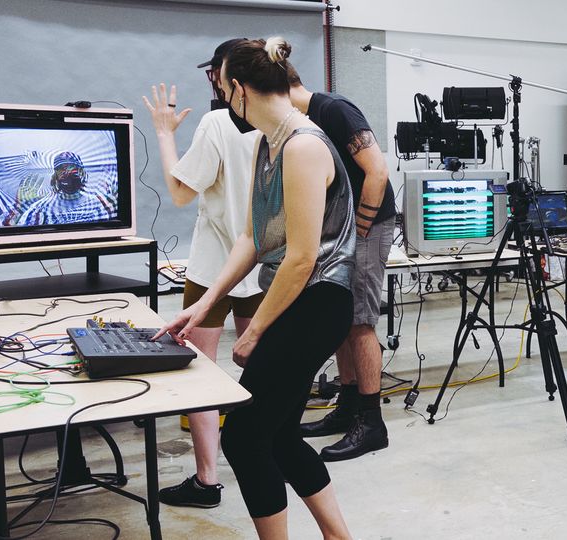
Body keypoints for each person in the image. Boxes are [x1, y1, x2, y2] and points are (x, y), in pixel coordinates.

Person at [155, 37, 355, 539]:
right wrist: (202, 305)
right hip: (294, 298)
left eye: (223, 91)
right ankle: (338, 535)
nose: (222, 101)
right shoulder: (269, 142)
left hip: (318, 301)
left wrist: (253, 329)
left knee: (244, 437)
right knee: (280, 435)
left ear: (240, 89)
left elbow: (302, 256)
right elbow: (251, 236)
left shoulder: (304, 146)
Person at [141, 39, 264, 509]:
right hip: (261, 266)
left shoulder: (216, 123)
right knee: (261, 367)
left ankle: (207, 480)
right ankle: (266, 456)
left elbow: (178, 192)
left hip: (214, 267)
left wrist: (164, 131)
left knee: (201, 372)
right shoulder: (280, 125)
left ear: (223, 77)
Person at [287, 63, 396, 462]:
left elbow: (377, 171)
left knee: (361, 322)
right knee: (341, 320)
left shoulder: (333, 109)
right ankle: (349, 407)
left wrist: (361, 230)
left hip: (366, 226)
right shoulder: (304, 121)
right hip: (342, 230)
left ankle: (372, 423)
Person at [2, 151, 118, 226]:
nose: (66, 173)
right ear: (55, 175)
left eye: (71, 167)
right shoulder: (42, 208)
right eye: (61, 169)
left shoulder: (98, 204)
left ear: (81, 171)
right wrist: (19, 207)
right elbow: (10, 232)